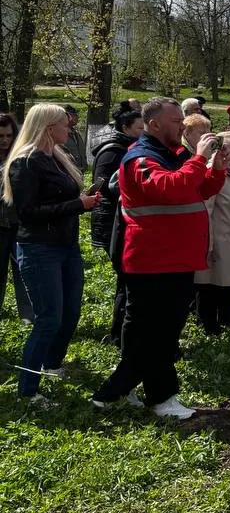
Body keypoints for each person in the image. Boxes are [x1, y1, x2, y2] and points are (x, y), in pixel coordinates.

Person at [92, 97, 228, 418]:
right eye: (176, 122)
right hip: (152, 260)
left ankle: (120, 392)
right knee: (157, 335)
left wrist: (217, 170)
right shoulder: (139, 158)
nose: (182, 127)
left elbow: (198, 190)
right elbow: (172, 188)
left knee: (160, 333)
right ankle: (156, 397)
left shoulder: (173, 153)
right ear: (153, 125)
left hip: (174, 257)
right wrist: (198, 159)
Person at [2, 104, 100, 404]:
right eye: (64, 124)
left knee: (70, 314)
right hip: (39, 248)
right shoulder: (25, 162)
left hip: (66, 245)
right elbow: (28, 213)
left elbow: (65, 197)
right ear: (47, 127)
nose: (69, 128)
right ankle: (28, 390)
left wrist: (86, 198)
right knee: (48, 319)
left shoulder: (55, 157)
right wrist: (77, 206)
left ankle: (52, 364)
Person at [91, 101, 144, 343]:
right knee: (125, 282)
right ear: (125, 127)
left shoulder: (130, 146)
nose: (143, 133)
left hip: (122, 218)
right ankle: (117, 335)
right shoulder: (113, 150)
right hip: (112, 219)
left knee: (128, 282)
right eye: (139, 128)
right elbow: (103, 186)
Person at [195, 132, 230, 334]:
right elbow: (206, 210)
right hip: (216, 239)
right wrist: (207, 245)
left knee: (224, 281)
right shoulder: (212, 171)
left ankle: (228, 318)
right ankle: (208, 325)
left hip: (229, 236)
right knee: (209, 283)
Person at [0, 113, 31, 322]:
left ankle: (28, 316)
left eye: (9, 135)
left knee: (24, 272)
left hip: (18, 225)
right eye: (0, 136)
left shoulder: (20, 157)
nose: (4, 140)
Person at [60, 105, 88, 172]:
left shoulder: (76, 133)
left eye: (76, 115)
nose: (77, 117)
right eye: (74, 115)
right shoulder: (60, 135)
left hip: (79, 172)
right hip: (67, 172)